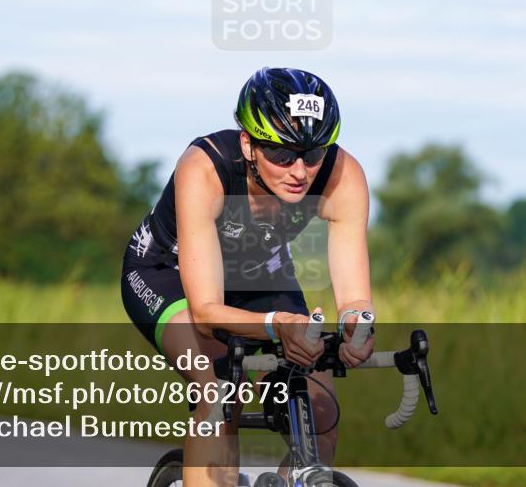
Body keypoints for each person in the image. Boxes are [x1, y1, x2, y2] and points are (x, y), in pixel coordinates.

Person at [121, 67, 374, 486]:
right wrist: (280, 326)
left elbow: (355, 299)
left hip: (259, 274)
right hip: (168, 272)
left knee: (320, 414)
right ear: (249, 144)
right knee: (221, 391)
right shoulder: (206, 167)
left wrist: (358, 328)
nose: (299, 171)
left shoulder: (343, 176)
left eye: (313, 155)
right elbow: (205, 313)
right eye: (282, 154)